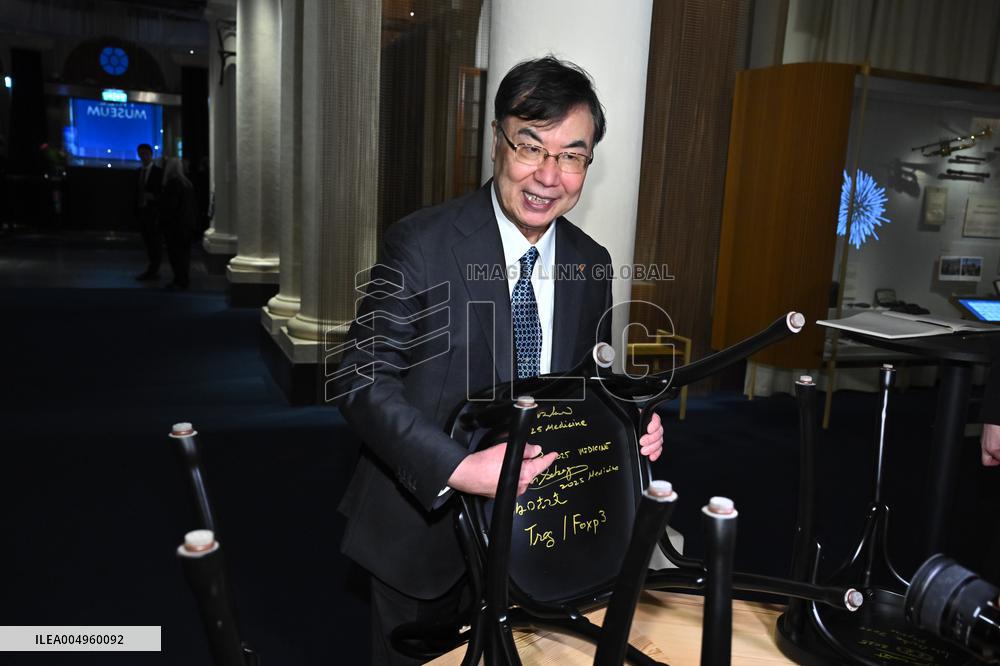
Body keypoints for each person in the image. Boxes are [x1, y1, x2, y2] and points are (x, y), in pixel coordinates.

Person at [334, 56, 664, 665]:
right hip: (421, 535)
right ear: (495, 142)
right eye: (530, 146)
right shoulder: (422, 244)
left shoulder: (591, 261)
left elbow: (584, 383)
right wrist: (459, 470)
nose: (548, 174)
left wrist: (629, 421)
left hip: (534, 534)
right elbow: (360, 378)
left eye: (572, 154)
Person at [158, 157, 197, 290]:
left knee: (175, 255)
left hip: (174, 226)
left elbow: (170, 207)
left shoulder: (173, 184)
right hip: (186, 225)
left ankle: (179, 280)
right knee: (184, 256)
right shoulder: (187, 184)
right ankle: (183, 279)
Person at [134, 143, 163, 281]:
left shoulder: (158, 172)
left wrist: (154, 198)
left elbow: (163, 193)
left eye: (145, 154)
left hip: (154, 212)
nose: (143, 156)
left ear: (151, 155)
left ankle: (154, 269)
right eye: (141, 154)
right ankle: (152, 268)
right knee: (147, 241)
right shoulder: (138, 172)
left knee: (154, 242)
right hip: (142, 211)